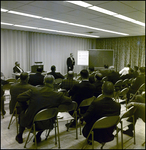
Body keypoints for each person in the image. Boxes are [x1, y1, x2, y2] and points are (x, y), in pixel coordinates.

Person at [15, 75, 72, 144]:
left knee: (22, 113)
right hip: (47, 122)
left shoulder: (35, 90)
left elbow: (19, 97)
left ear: (44, 82)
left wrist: (27, 106)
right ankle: (38, 135)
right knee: (46, 115)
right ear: (54, 82)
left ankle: (20, 135)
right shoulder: (58, 95)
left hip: (31, 121)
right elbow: (69, 101)